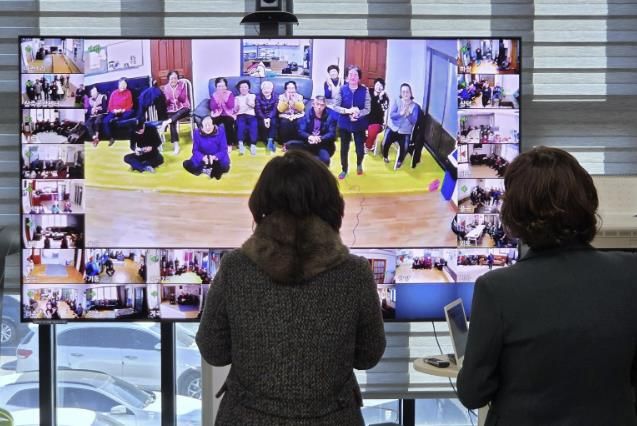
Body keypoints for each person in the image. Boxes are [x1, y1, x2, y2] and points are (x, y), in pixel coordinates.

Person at [196, 149, 386, 425]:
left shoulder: (235, 267)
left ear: (261, 203)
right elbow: (368, 356)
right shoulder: (355, 273)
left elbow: (213, 350)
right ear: (331, 204)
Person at [456, 147, 637, 426]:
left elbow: (473, 393)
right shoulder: (630, 272)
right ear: (587, 201)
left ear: (514, 213)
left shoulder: (497, 289)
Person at [333, 65, 371, 178]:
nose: (353, 77)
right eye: (350, 74)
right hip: (344, 123)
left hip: (359, 123)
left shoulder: (365, 90)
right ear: (347, 77)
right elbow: (336, 106)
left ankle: (359, 164)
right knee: (344, 148)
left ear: (359, 77)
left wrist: (358, 113)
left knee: (360, 149)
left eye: (355, 75)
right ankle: (344, 169)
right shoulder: (342, 89)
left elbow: (367, 109)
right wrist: (347, 111)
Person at [284, 95, 337, 167]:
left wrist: (320, 138)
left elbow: (331, 133)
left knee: (325, 160)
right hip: (308, 142)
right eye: (317, 104)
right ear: (313, 104)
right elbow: (300, 131)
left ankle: (317, 165)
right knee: (289, 145)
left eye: (322, 105)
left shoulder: (330, 116)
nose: (319, 107)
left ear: (325, 106)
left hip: (323, 144)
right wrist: (310, 137)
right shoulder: (307, 115)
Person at [382, 83, 420, 170]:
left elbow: (414, 121)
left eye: (407, 92)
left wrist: (408, 115)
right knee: (385, 143)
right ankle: (385, 156)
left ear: (410, 93)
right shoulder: (397, 101)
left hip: (405, 132)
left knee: (405, 148)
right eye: (403, 92)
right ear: (401, 93)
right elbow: (392, 115)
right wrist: (400, 114)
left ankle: (399, 162)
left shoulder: (415, 106)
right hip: (393, 128)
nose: (405, 94)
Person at [183, 115, 230, 180]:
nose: (208, 127)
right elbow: (195, 150)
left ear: (213, 125)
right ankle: (206, 170)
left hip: (216, 157)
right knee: (187, 164)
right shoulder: (196, 133)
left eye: (209, 125)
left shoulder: (221, 131)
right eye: (205, 125)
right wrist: (203, 158)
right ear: (202, 126)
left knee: (225, 167)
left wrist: (214, 157)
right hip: (203, 157)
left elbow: (224, 149)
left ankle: (209, 169)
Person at [159, 70, 191, 155]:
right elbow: (167, 103)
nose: (173, 80)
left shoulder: (182, 85)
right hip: (172, 109)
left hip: (183, 108)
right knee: (172, 123)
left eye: (175, 78)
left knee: (180, 113)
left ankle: (167, 122)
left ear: (178, 79)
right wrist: (166, 100)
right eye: (171, 78)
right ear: (168, 79)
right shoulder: (166, 88)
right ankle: (176, 145)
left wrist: (177, 95)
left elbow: (183, 99)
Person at [102, 77, 135, 146]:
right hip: (114, 111)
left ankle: (117, 119)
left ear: (126, 85)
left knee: (130, 114)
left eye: (124, 84)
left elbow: (130, 105)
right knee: (105, 121)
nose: (123, 86)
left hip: (124, 111)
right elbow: (110, 106)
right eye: (121, 84)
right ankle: (111, 138)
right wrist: (114, 111)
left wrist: (123, 110)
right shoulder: (114, 93)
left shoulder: (128, 92)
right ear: (118, 85)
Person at [209, 77, 237, 151]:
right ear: (216, 87)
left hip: (228, 114)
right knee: (212, 123)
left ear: (226, 87)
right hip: (217, 114)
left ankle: (229, 144)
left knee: (228, 124)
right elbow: (212, 107)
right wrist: (217, 100)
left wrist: (224, 98)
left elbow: (231, 106)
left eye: (223, 86)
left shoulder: (230, 94)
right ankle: (213, 143)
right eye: (219, 86)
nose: (221, 88)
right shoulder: (214, 94)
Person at [233, 80, 258, 156]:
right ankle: (241, 144)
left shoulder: (252, 96)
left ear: (248, 88)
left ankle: (253, 144)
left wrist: (248, 103)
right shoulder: (236, 98)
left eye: (245, 87)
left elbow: (254, 106)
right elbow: (235, 110)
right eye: (241, 87)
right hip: (241, 115)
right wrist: (236, 108)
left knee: (254, 125)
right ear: (239, 89)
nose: (243, 89)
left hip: (251, 115)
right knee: (241, 126)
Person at [365, 77, 389, 153]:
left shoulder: (385, 98)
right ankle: (366, 142)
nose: (379, 87)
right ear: (374, 85)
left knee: (372, 130)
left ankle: (368, 146)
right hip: (366, 117)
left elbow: (384, 109)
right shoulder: (368, 92)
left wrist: (380, 98)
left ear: (383, 87)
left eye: (381, 86)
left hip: (377, 121)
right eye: (377, 85)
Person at [255, 80, 278, 154]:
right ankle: (267, 141)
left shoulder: (275, 96)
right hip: (261, 116)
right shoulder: (258, 97)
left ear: (271, 89)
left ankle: (270, 140)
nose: (266, 90)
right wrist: (264, 118)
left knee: (273, 122)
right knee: (262, 124)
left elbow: (275, 109)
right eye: (264, 88)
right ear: (261, 90)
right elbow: (258, 109)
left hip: (272, 116)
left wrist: (269, 118)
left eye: (268, 88)